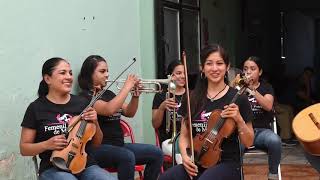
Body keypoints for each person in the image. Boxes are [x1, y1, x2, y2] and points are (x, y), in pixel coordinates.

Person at [159, 44, 254, 180]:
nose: (214, 68)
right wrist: (185, 158)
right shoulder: (191, 98)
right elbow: (185, 135)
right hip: (197, 161)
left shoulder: (239, 99)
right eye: (209, 64)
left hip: (227, 164)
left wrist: (239, 119)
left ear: (227, 67)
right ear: (202, 68)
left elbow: (249, 142)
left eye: (219, 63)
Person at [19, 57, 116, 180]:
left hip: (85, 165)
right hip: (52, 168)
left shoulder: (82, 103)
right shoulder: (36, 108)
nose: (69, 77)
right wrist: (46, 144)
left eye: (70, 73)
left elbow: (96, 143)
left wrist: (95, 122)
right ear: (47, 79)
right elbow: (24, 149)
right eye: (62, 73)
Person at [78, 55, 163, 180]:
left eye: (107, 71)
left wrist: (135, 96)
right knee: (126, 156)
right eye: (102, 71)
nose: (107, 74)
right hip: (98, 148)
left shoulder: (109, 94)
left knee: (156, 153)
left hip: (119, 145)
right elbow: (108, 109)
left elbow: (129, 112)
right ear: (89, 74)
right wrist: (127, 87)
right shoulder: (85, 97)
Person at [242, 56, 282, 180]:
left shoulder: (266, 87)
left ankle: (273, 175)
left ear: (259, 72)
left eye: (252, 69)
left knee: (275, 141)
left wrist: (253, 90)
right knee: (231, 146)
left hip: (261, 131)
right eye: (245, 69)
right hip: (242, 131)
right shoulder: (238, 88)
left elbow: (268, 106)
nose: (248, 72)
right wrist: (240, 88)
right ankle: (236, 175)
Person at [152, 60, 186, 165]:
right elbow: (155, 124)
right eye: (179, 73)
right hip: (168, 140)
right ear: (170, 76)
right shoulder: (160, 96)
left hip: (187, 139)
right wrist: (162, 108)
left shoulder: (191, 95)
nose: (183, 76)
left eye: (184, 73)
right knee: (182, 156)